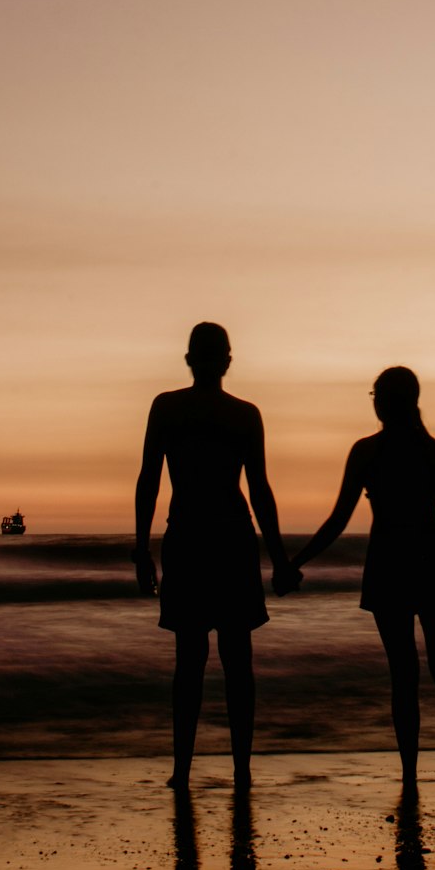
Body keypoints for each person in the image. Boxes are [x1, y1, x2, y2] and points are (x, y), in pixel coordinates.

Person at [133, 322, 298, 788]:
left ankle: (185, 772)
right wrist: (280, 559)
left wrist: (142, 548)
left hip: (191, 536)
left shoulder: (169, 408)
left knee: (192, 659)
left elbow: (149, 479)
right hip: (226, 537)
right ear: (227, 360)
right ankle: (237, 771)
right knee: (234, 659)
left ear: (190, 359)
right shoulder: (242, 414)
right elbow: (260, 491)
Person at [290, 366, 435, 785]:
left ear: (385, 401)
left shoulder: (367, 451)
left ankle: (410, 774)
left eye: (377, 395)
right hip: (434, 566)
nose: (375, 402)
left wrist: (296, 562)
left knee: (403, 674)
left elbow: (337, 520)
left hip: (390, 565)